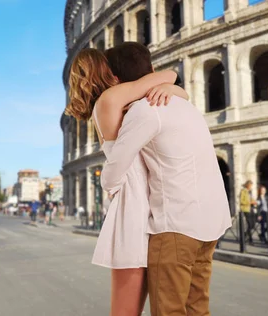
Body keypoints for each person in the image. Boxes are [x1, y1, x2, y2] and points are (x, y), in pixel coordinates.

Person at [101, 42, 232, 315]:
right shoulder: (186, 105)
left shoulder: (144, 110)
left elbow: (116, 165)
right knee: (197, 308)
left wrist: (110, 187)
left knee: (168, 310)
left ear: (115, 80)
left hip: (176, 226)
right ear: (151, 70)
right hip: (211, 222)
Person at [67, 47, 190, 315]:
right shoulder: (111, 99)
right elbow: (165, 77)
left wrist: (173, 89)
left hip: (144, 210)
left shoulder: (119, 103)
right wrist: (172, 82)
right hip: (134, 212)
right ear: (106, 72)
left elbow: (170, 91)